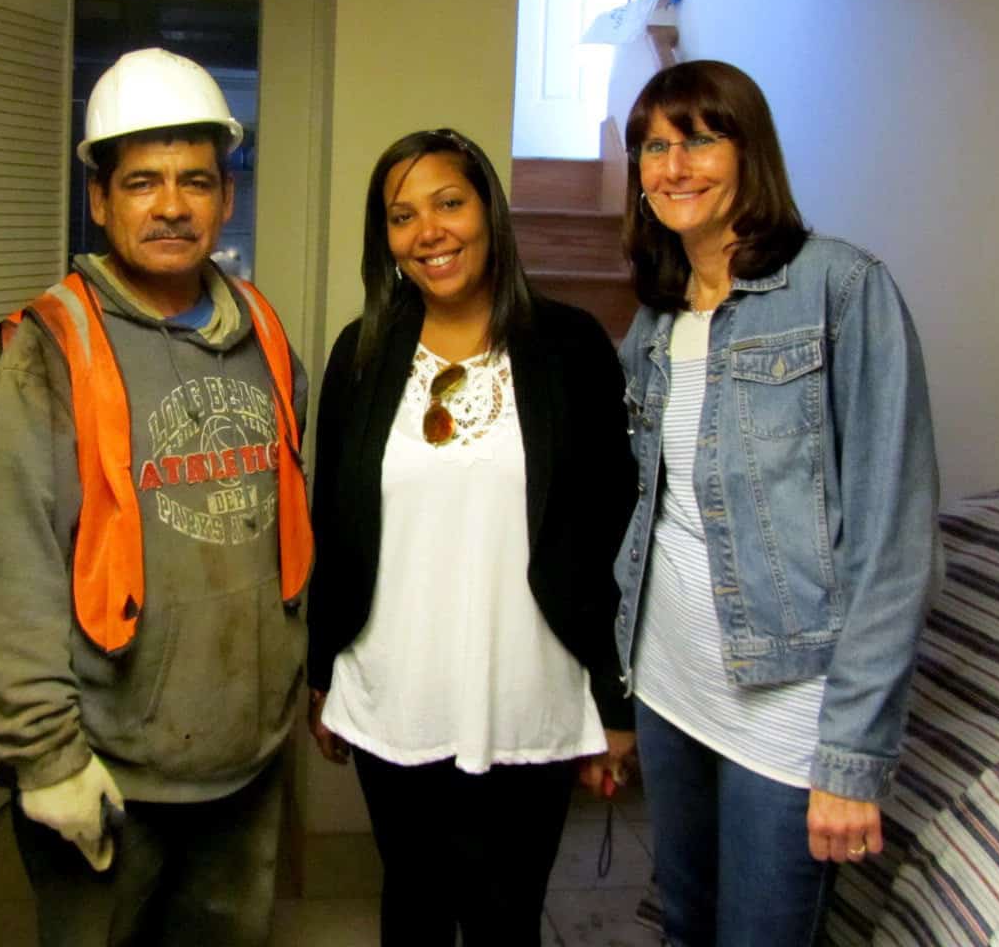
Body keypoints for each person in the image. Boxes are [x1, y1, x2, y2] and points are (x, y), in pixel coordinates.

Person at [0, 47, 312, 947]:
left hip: (245, 762)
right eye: (143, 182)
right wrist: (44, 757)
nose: (171, 206)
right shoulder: (50, 348)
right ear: (101, 199)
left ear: (225, 198)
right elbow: (16, 563)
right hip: (110, 771)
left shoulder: (266, 333)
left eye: (196, 181)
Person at [613, 59, 941, 946]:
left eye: (698, 140)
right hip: (670, 683)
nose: (672, 167)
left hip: (788, 703)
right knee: (685, 924)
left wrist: (852, 757)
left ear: (748, 151)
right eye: (652, 147)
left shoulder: (840, 287)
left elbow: (895, 539)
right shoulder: (656, 321)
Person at [306, 128, 638, 947]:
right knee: (411, 906)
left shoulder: (571, 348)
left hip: (529, 688)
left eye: (449, 203)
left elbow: (611, 527)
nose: (429, 232)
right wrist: (323, 670)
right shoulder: (363, 352)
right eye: (401, 215)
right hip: (395, 687)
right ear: (383, 239)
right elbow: (333, 521)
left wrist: (613, 696)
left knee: (505, 915)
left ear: (489, 210)